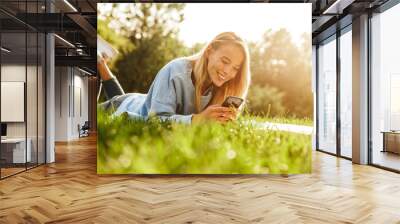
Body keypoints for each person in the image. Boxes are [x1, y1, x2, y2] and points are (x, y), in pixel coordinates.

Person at [97, 32, 251, 124]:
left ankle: (101, 63)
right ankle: (99, 62)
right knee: (85, 114)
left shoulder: (220, 87)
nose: (227, 72)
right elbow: (156, 120)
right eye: (225, 61)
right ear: (209, 51)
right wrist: (197, 120)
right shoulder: (176, 71)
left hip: (142, 100)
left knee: (123, 97)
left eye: (235, 68)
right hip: (123, 105)